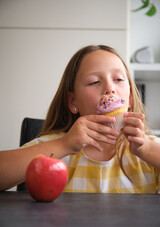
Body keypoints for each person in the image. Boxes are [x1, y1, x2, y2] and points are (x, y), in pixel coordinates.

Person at [0, 45, 160, 193]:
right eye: (94, 82)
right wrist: (63, 145)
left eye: (118, 79)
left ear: (130, 98)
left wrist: (147, 149)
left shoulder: (149, 149)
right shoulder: (56, 147)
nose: (110, 89)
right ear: (73, 102)